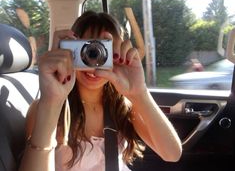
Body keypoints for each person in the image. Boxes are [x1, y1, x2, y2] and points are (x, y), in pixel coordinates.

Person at [19, 11, 182, 171]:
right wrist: (51, 103)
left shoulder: (123, 108)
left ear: (118, 55)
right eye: (87, 50)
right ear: (69, 50)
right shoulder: (46, 108)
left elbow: (171, 154)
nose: (93, 62)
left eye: (103, 51)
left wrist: (139, 93)